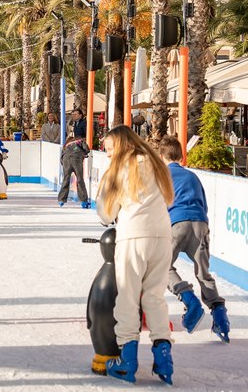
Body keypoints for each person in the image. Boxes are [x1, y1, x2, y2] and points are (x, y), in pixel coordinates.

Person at [96, 125, 175, 385]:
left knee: (128, 298)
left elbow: (106, 214)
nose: (107, 154)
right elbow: (169, 200)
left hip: (133, 237)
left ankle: (127, 361)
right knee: (155, 297)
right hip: (163, 237)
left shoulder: (118, 169)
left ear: (119, 146)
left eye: (109, 149)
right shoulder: (156, 161)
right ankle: (164, 358)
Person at [159, 136, 230, 341]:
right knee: (203, 273)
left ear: (161, 156)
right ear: (181, 156)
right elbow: (204, 204)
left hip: (176, 224)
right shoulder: (192, 177)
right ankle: (220, 317)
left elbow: (158, 206)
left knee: (163, 266)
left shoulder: (162, 175)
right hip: (200, 224)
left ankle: (189, 299)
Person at [58, 136, 90, 209]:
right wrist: (84, 153)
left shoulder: (66, 145)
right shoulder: (80, 141)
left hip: (66, 159)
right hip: (77, 159)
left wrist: (65, 165)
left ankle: (61, 200)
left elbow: (61, 159)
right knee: (80, 180)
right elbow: (87, 149)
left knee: (66, 179)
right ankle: (84, 201)